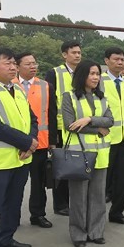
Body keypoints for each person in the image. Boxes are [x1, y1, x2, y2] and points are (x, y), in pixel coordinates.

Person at [0, 47, 38, 247]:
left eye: (13, 63)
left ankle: (6, 238)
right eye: (7, 63)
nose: (12, 67)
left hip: (21, 158)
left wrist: (31, 141)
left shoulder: (17, 89)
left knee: (13, 202)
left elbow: (33, 119)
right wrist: (26, 142)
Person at [62, 60, 113, 247]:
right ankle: (78, 233)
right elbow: (70, 125)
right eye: (92, 73)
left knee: (98, 196)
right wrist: (97, 129)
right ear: (82, 75)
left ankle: (96, 231)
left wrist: (89, 119)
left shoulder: (102, 98)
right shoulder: (69, 97)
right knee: (78, 197)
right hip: (79, 155)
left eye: (98, 74)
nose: (95, 77)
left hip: (100, 155)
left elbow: (110, 120)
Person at [14, 53, 57, 228]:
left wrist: (53, 140)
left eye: (35, 64)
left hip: (40, 142)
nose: (33, 67)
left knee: (39, 183)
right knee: (15, 184)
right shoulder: (8, 85)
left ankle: (38, 215)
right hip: (15, 144)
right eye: (28, 64)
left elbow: (52, 114)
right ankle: (12, 217)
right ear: (17, 67)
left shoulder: (46, 86)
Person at [99, 47, 124, 225]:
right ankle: (97, 215)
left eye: (122, 59)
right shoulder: (99, 81)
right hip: (105, 138)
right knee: (102, 180)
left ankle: (117, 212)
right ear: (107, 61)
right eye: (116, 59)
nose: (120, 62)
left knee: (123, 179)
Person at [45, 40, 82, 216]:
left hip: (80, 127)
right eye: (73, 52)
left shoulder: (84, 72)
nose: (77, 55)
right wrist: (52, 137)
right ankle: (60, 204)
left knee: (77, 166)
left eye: (79, 53)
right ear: (64, 55)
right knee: (61, 167)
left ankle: (73, 201)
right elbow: (49, 105)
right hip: (61, 128)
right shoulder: (54, 73)